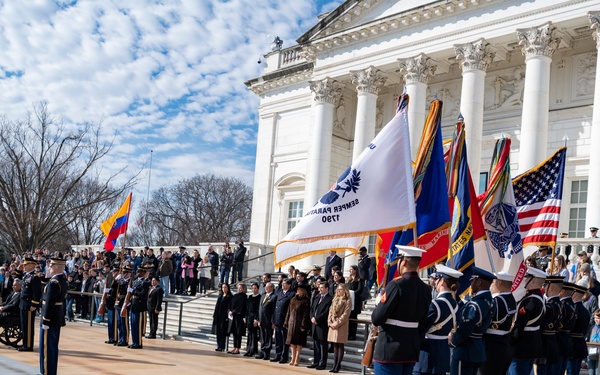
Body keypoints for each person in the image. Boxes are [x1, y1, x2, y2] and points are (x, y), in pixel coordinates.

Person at [371, 246, 432, 375]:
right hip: (410, 349)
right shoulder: (426, 289)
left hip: (390, 350)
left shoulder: (396, 285)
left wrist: (379, 304)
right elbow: (422, 323)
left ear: (403, 261)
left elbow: (377, 318)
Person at [415, 265, 462, 375]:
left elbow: (421, 328)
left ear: (442, 281)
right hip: (443, 350)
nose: (435, 282)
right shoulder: (455, 304)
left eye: (437, 279)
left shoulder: (436, 304)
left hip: (428, 352)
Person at [449, 267, 495, 375]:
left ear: (479, 282)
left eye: (473, 280)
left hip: (465, 351)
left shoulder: (475, 304)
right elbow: (465, 310)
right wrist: (455, 296)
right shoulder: (489, 301)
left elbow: (465, 330)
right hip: (476, 349)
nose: (471, 283)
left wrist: (453, 341)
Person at [508, 266, 547, 375]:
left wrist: (509, 341)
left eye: (528, 277)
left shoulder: (530, 300)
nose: (525, 279)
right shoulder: (540, 298)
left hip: (522, 346)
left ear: (533, 280)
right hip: (533, 343)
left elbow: (519, 327)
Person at [480, 272, 517, 375]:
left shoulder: (496, 301)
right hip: (505, 344)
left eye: (493, 282)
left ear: (499, 283)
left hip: (491, 347)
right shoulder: (512, 299)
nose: (492, 285)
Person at [39, 257, 68, 375]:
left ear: (56, 268)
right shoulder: (60, 280)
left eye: (51, 266)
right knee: (52, 347)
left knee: (47, 348)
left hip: (50, 319)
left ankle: (46, 372)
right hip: (56, 318)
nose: (49, 268)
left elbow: (49, 303)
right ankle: (49, 372)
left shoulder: (54, 283)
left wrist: (45, 320)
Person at [536, 275, 563, 375]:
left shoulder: (550, 305)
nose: (543, 287)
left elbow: (541, 325)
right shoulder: (559, 304)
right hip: (552, 342)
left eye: (545, 285)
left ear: (551, 287)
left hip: (545, 344)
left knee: (543, 370)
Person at [284, 284, 311, 367]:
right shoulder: (293, 299)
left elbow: (306, 314)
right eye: (297, 290)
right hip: (292, 322)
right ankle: (293, 357)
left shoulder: (306, 300)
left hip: (299, 323)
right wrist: (286, 321)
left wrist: (303, 324)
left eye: (299, 290)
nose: (297, 291)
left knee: (299, 341)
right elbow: (289, 311)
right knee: (292, 341)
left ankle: (297, 358)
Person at [567, 283, 591, 375]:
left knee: (571, 371)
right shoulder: (585, 311)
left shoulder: (574, 309)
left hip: (572, 344)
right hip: (580, 343)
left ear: (575, 294)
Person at [327, 283, 352, 373]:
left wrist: (336, 323)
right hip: (333, 324)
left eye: (341, 289)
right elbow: (330, 311)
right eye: (338, 289)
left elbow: (345, 315)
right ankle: (334, 365)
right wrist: (330, 322)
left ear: (344, 291)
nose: (339, 291)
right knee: (335, 345)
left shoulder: (347, 300)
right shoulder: (335, 299)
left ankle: (338, 365)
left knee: (340, 344)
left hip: (341, 325)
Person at [19, 257, 42, 352]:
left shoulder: (34, 277)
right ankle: (25, 343)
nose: (24, 266)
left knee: (28, 326)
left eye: (26, 265)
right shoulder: (26, 275)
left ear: (32, 265)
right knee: (24, 325)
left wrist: (34, 304)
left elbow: (37, 292)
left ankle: (28, 345)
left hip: (29, 305)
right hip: (23, 303)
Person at [308, 281, 332, 370]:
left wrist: (317, 319)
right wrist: (311, 317)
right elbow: (312, 309)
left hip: (322, 325)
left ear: (327, 289)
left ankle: (322, 363)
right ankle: (316, 361)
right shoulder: (317, 297)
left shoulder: (329, 299)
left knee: (323, 346)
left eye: (322, 288)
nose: (320, 289)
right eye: (319, 287)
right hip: (314, 325)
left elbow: (326, 312)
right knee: (316, 344)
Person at [555, 281, 578, 374]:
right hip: (566, 340)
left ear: (562, 291)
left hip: (559, 340)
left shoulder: (562, 305)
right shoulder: (573, 305)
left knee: (556, 369)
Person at [272, 278, 294, 363]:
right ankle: (278, 355)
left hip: (285, 321)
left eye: (285, 284)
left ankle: (284, 357)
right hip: (277, 320)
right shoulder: (279, 293)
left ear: (289, 285)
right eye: (282, 284)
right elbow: (274, 307)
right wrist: (273, 320)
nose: (283, 285)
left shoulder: (291, 294)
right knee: (278, 339)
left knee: (285, 340)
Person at [129, 266, 150, 349]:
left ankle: (138, 343)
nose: (137, 273)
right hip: (133, 304)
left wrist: (133, 291)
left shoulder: (145, 282)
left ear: (143, 273)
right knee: (133, 325)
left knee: (138, 326)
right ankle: (134, 342)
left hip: (140, 306)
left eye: (139, 272)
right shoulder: (135, 281)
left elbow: (143, 294)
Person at [256, 281, 276, 360]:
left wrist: (273, 321)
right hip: (262, 320)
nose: (266, 288)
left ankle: (266, 353)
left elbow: (274, 310)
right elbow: (260, 309)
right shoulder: (263, 295)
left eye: (268, 287)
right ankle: (262, 351)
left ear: (271, 288)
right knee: (262, 337)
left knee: (268, 337)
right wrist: (258, 319)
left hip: (268, 321)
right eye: (265, 287)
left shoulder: (274, 296)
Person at [114, 266, 132, 347]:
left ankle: (125, 340)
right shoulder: (120, 281)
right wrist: (115, 280)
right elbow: (113, 288)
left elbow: (130, 294)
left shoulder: (130, 282)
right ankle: (120, 339)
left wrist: (128, 303)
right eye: (123, 272)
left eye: (125, 273)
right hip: (119, 303)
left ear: (129, 274)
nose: (123, 274)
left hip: (125, 303)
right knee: (119, 322)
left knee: (124, 323)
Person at [228, 283, 248, 354]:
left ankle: (238, 348)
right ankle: (234, 347)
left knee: (238, 333)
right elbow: (230, 304)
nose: (239, 289)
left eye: (240, 288)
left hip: (239, 317)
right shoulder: (235, 296)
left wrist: (233, 311)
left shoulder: (244, 297)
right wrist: (230, 310)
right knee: (234, 332)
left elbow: (241, 306)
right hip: (233, 317)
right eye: (238, 288)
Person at [213, 283, 232, 352]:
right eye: (223, 287)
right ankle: (218, 346)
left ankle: (222, 346)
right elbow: (217, 306)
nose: (224, 289)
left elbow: (229, 307)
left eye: (225, 287)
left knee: (223, 331)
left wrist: (227, 316)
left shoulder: (229, 296)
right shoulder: (220, 296)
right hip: (218, 315)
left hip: (224, 317)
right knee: (218, 331)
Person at [244, 282, 261, 357]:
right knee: (249, 334)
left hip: (254, 318)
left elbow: (258, 309)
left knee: (254, 335)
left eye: (255, 288)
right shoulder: (250, 297)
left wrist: (256, 319)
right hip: (249, 318)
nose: (254, 290)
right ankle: (248, 349)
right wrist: (245, 317)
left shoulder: (259, 297)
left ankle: (253, 350)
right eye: (252, 288)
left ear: (258, 289)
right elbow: (247, 308)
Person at [587, 309, 600, 375]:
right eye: (595, 318)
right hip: (591, 352)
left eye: (598, 318)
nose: (596, 320)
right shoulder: (592, 327)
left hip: (599, 354)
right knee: (591, 372)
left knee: (598, 372)